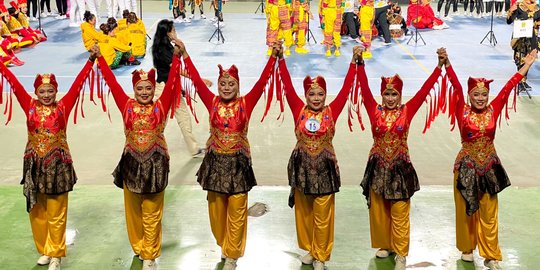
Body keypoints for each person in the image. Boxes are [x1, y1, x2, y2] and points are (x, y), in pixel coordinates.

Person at [177, 40, 278, 270]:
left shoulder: (246, 103)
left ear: (238, 86)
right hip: (214, 164)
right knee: (216, 213)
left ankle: (233, 253)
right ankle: (224, 244)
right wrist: (185, 54)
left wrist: (273, 57)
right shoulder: (211, 100)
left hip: (238, 164)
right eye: (222, 83)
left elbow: (263, 83)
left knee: (238, 211)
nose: (225, 87)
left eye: (231, 84)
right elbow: (193, 79)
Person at [0, 46, 98, 270]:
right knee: (37, 211)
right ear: (35, 92)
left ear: (56, 91)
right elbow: (13, 83)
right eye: (42, 91)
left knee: (56, 211)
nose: (46, 95)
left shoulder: (64, 106)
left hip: (58, 165)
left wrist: (91, 61)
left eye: (50, 91)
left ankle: (56, 254)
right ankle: (44, 249)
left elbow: (78, 84)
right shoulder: (29, 105)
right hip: (34, 164)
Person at [444, 48, 537, 270]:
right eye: (475, 94)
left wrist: (527, 65)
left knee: (489, 212)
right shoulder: (462, 110)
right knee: (466, 209)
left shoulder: (494, 108)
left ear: (488, 96)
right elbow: (455, 85)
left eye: (484, 94)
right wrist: (447, 63)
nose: (480, 98)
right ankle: (467, 248)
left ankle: (491, 255)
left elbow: (509, 86)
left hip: (489, 167)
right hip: (465, 167)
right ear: (469, 96)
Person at [95, 41, 182, 270]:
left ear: (154, 89)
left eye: (148, 88)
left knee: (153, 212)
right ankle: (139, 247)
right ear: (134, 89)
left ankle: (150, 255)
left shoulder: (161, 105)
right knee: (133, 212)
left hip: (156, 163)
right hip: (131, 163)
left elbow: (172, 83)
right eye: (140, 88)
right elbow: (111, 83)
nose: (144, 92)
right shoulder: (126, 104)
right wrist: (100, 59)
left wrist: (177, 58)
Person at [357, 46, 446, 270]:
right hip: (377, 165)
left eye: (394, 93)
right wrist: (359, 63)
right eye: (386, 94)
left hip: (400, 167)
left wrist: (438, 67)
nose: (390, 98)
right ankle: (385, 244)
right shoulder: (373, 109)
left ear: (400, 94)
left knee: (399, 209)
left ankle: (401, 252)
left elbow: (426, 91)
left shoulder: (407, 110)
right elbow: (363, 88)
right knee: (379, 209)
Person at [277, 45, 362, 270]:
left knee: (323, 215)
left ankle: (321, 256)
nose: (316, 98)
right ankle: (310, 248)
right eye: (312, 94)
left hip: (325, 169)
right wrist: (280, 58)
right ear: (305, 96)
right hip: (302, 167)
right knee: (304, 213)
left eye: (320, 94)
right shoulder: (298, 109)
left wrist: (354, 62)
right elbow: (285, 85)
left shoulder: (332, 110)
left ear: (326, 95)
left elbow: (346, 89)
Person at [152, 19, 210, 157]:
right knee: (160, 121)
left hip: (174, 90)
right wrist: (199, 80)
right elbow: (177, 70)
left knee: (184, 118)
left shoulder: (169, 47)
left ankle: (194, 149)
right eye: (173, 30)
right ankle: (151, 146)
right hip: (163, 90)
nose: (175, 31)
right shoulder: (162, 49)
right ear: (167, 32)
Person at [506, 0, 540, 94]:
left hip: (532, 38)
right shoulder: (519, 6)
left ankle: (524, 80)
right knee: (520, 59)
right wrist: (511, 11)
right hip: (521, 37)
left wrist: (537, 23)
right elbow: (509, 21)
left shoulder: (537, 8)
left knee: (529, 59)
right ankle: (520, 81)